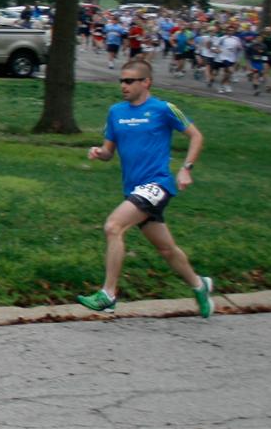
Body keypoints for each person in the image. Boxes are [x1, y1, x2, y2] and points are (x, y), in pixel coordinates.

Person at [77, 60, 213, 319]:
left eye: (129, 81)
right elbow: (109, 152)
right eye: (121, 81)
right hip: (133, 189)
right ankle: (199, 285)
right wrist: (99, 152)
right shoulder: (115, 112)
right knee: (166, 249)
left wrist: (186, 168)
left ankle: (108, 294)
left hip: (157, 184)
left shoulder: (164, 109)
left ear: (146, 82)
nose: (123, 86)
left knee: (113, 226)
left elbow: (196, 136)